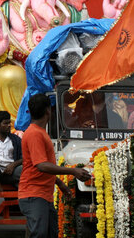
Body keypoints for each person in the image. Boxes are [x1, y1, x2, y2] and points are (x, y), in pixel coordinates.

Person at [19, 94, 91, 238]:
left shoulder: (39, 132)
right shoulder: (34, 134)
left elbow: (41, 165)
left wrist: (59, 183)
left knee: (51, 233)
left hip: (42, 195)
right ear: (48, 111)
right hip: (34, 194)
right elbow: (41, 165)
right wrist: (73, 171)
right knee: (39, 234)